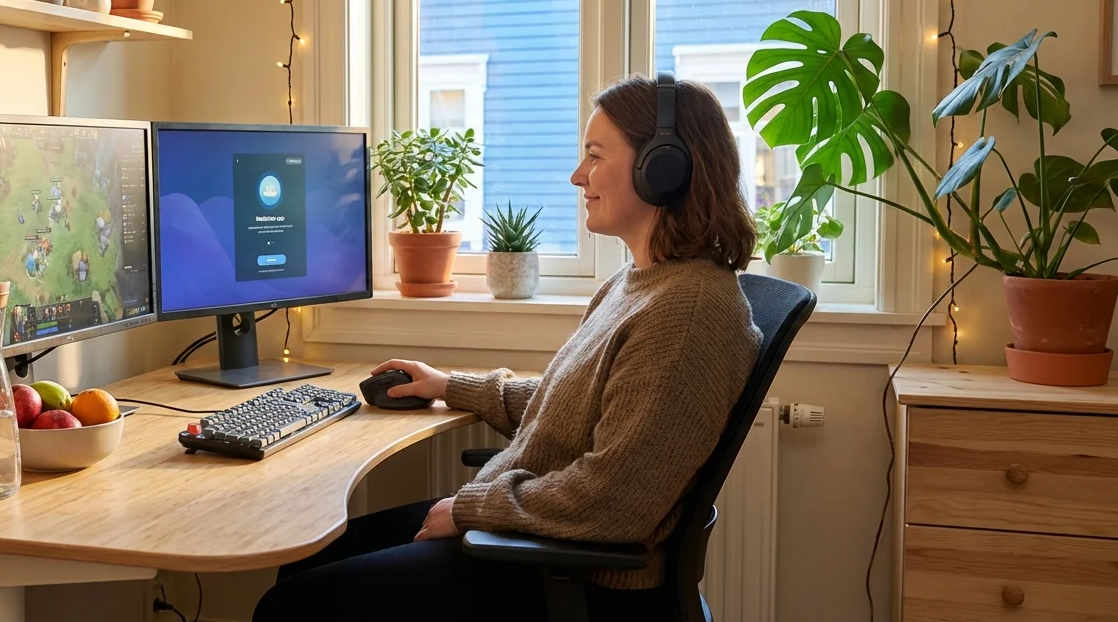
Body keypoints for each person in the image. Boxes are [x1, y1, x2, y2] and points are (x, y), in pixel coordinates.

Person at [252, 74, 762, 622]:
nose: (577, 176)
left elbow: (614, 503)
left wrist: (471, 509)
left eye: (594, 156)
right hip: (530, 539)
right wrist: (449, 386)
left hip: (575, 578)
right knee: (306, 560)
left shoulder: (688, 312)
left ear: (663, 168)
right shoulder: (639, 283)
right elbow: (575, 406)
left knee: (293, 606)